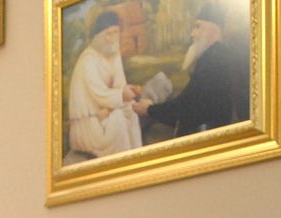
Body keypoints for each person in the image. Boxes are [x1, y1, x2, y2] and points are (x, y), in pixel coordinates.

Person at [136, 2, 249, 136]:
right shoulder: (215, 55)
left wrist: (149, 109)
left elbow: (188, 108)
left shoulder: (214, 59)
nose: (192, 34)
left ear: (213, 30)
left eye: (198, 26)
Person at [68, 11, 144, 159]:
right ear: (99, 35)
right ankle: (125, 161)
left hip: (106, 111)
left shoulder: (113, 53)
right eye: (108, 33)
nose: (112, 38)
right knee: (118, 119)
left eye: (116, 32)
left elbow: (120, 86)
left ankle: (138, 156)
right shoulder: (88, 60)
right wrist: (121, 96)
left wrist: (128, 91)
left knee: (130, 111)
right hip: (89, 123)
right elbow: (99, 95)